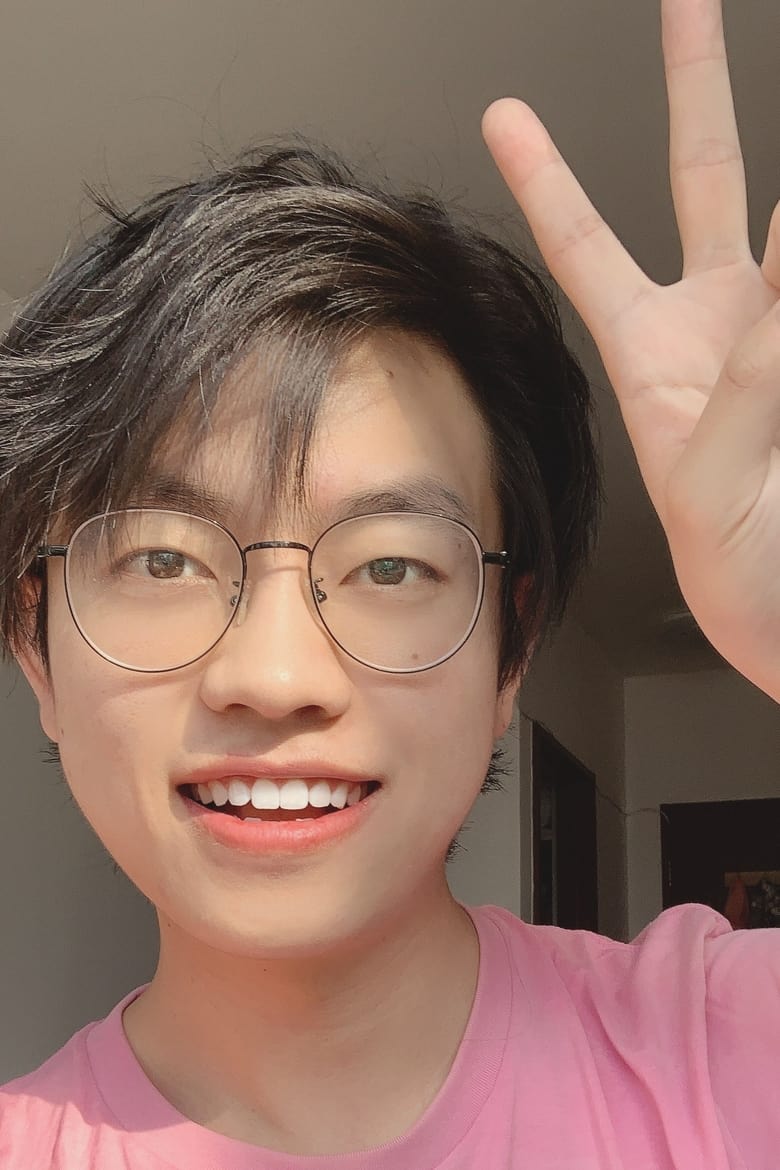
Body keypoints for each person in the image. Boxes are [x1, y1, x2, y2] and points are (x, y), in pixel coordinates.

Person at [0, 1, 777, 1167]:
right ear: (36, 648)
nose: (275, 677)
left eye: (391, 565)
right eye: (164, 558)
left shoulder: (728, 1054)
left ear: (511, 652)